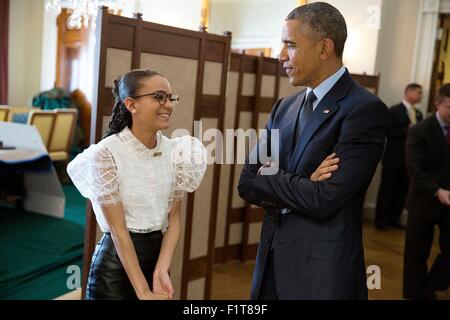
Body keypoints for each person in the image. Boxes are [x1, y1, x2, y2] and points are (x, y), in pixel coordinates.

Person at [238, 2, 389, 300]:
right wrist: (304, 180)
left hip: (321, 278)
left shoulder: (365, 110)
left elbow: (326, 198)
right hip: (269, 266)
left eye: (290, 45)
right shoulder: (285, 107)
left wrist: (274, 179)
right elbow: (247, 181)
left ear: (324, 48)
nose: (281, 55)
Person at [67, 69, 207, 300]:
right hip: (115, 269)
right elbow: (118, 230)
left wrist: (161, 269)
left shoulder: (178, 152)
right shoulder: (106, 154)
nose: (168, 105)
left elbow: (174, 219)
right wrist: (142, 291)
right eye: (159, 97)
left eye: (170, 97)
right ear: (131, 104)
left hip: (157, 261)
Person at [403, 83, 450, 300]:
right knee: (416, 252)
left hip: (449, 201)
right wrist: (437, 191)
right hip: (424, 199)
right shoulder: (420, 130)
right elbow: (415, 169)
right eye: (449, 107)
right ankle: (417, 293)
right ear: (437, 104)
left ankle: (434, 282)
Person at [375, 83, 424, 229]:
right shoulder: (394, 110)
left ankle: (394, 220)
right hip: (393, 158)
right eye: (418, 93)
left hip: (410, 160)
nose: (421, 96)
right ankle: (381, 221)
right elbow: (388, 133)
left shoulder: (419, 114)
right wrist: (407, 130)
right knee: (387, 190)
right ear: (408, 92)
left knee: (402, 191)